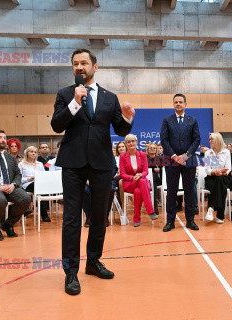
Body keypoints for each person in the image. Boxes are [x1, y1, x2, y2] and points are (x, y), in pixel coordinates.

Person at [51, 48, 134, 295]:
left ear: (94, 67)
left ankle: (94, 262)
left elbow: (119, 129)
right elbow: (56, 125)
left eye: (84, 63)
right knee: (72, 219)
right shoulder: (65, 93)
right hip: (73, 163)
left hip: (101, 163)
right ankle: (70, 272)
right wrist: (75, 103)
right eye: (75, 63)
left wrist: (128, 119)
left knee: (99, 216)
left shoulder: (110, 97)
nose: (79, 67)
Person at [160, 93, 200, 232]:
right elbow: (164, 140)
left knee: (189, 191)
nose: (178, 104)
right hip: (171, 161)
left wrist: (186, 155)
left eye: (180, 102)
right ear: (173, 104)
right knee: (172, 191)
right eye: (176, 102)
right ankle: (170, 222)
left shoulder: (192, 120)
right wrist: (174, 155)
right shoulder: (167, 120)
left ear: (185, 104)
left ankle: (190, 221)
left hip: (188, 161)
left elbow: (196, 140)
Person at [119, 135, 157, 227]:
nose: (131, 143)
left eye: (133, 141)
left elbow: (145, 171)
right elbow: (122, 174)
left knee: (138, 190)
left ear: (136, 142)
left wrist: (140, 175)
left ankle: (136, 218)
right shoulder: (122, 157)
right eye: (128, 142)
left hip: (141, 182)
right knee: (141, 182)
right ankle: (151, 211)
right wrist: (132, 178)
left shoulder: (143, 155)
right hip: (129, 183)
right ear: (126, 144)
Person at [203, 132, 231, 223]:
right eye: (209, 139)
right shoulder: (207, 153)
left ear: (218, 140)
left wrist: (222, 172)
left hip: (223, 177)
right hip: (211, 178)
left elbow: (228, 168)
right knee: (220, 185)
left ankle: (211, 208)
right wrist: (215, 172)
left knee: (219, 180)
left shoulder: (226, 152)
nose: (210, 141)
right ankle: (220, 216)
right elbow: (207, 169)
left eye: (212, 139)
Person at [18, 146, 50, 222]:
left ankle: (42, 210)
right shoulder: (21, 164)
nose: (33, 153)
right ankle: (44, 214)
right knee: (39, 187)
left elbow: (44, 176)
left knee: (40, 187)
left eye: (35, 152)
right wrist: (28, 179)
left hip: (39, 184)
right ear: (27, 153)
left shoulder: (39, 164)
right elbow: (18, 179)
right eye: (31, 152)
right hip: (27, 184)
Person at [146, 142, 162, 215]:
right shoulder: (145, 158)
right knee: (152, 177)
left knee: (154, 178)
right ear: (148, 149)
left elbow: (162, 170)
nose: (152, 149)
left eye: (154, 148)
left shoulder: (160, 158)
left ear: (156, 150)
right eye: (151, 148)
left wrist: (159, 170)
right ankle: (154, 206)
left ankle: (154, 206)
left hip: (158, 179)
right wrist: (153, 170)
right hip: (148, 179)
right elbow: (145, 169)